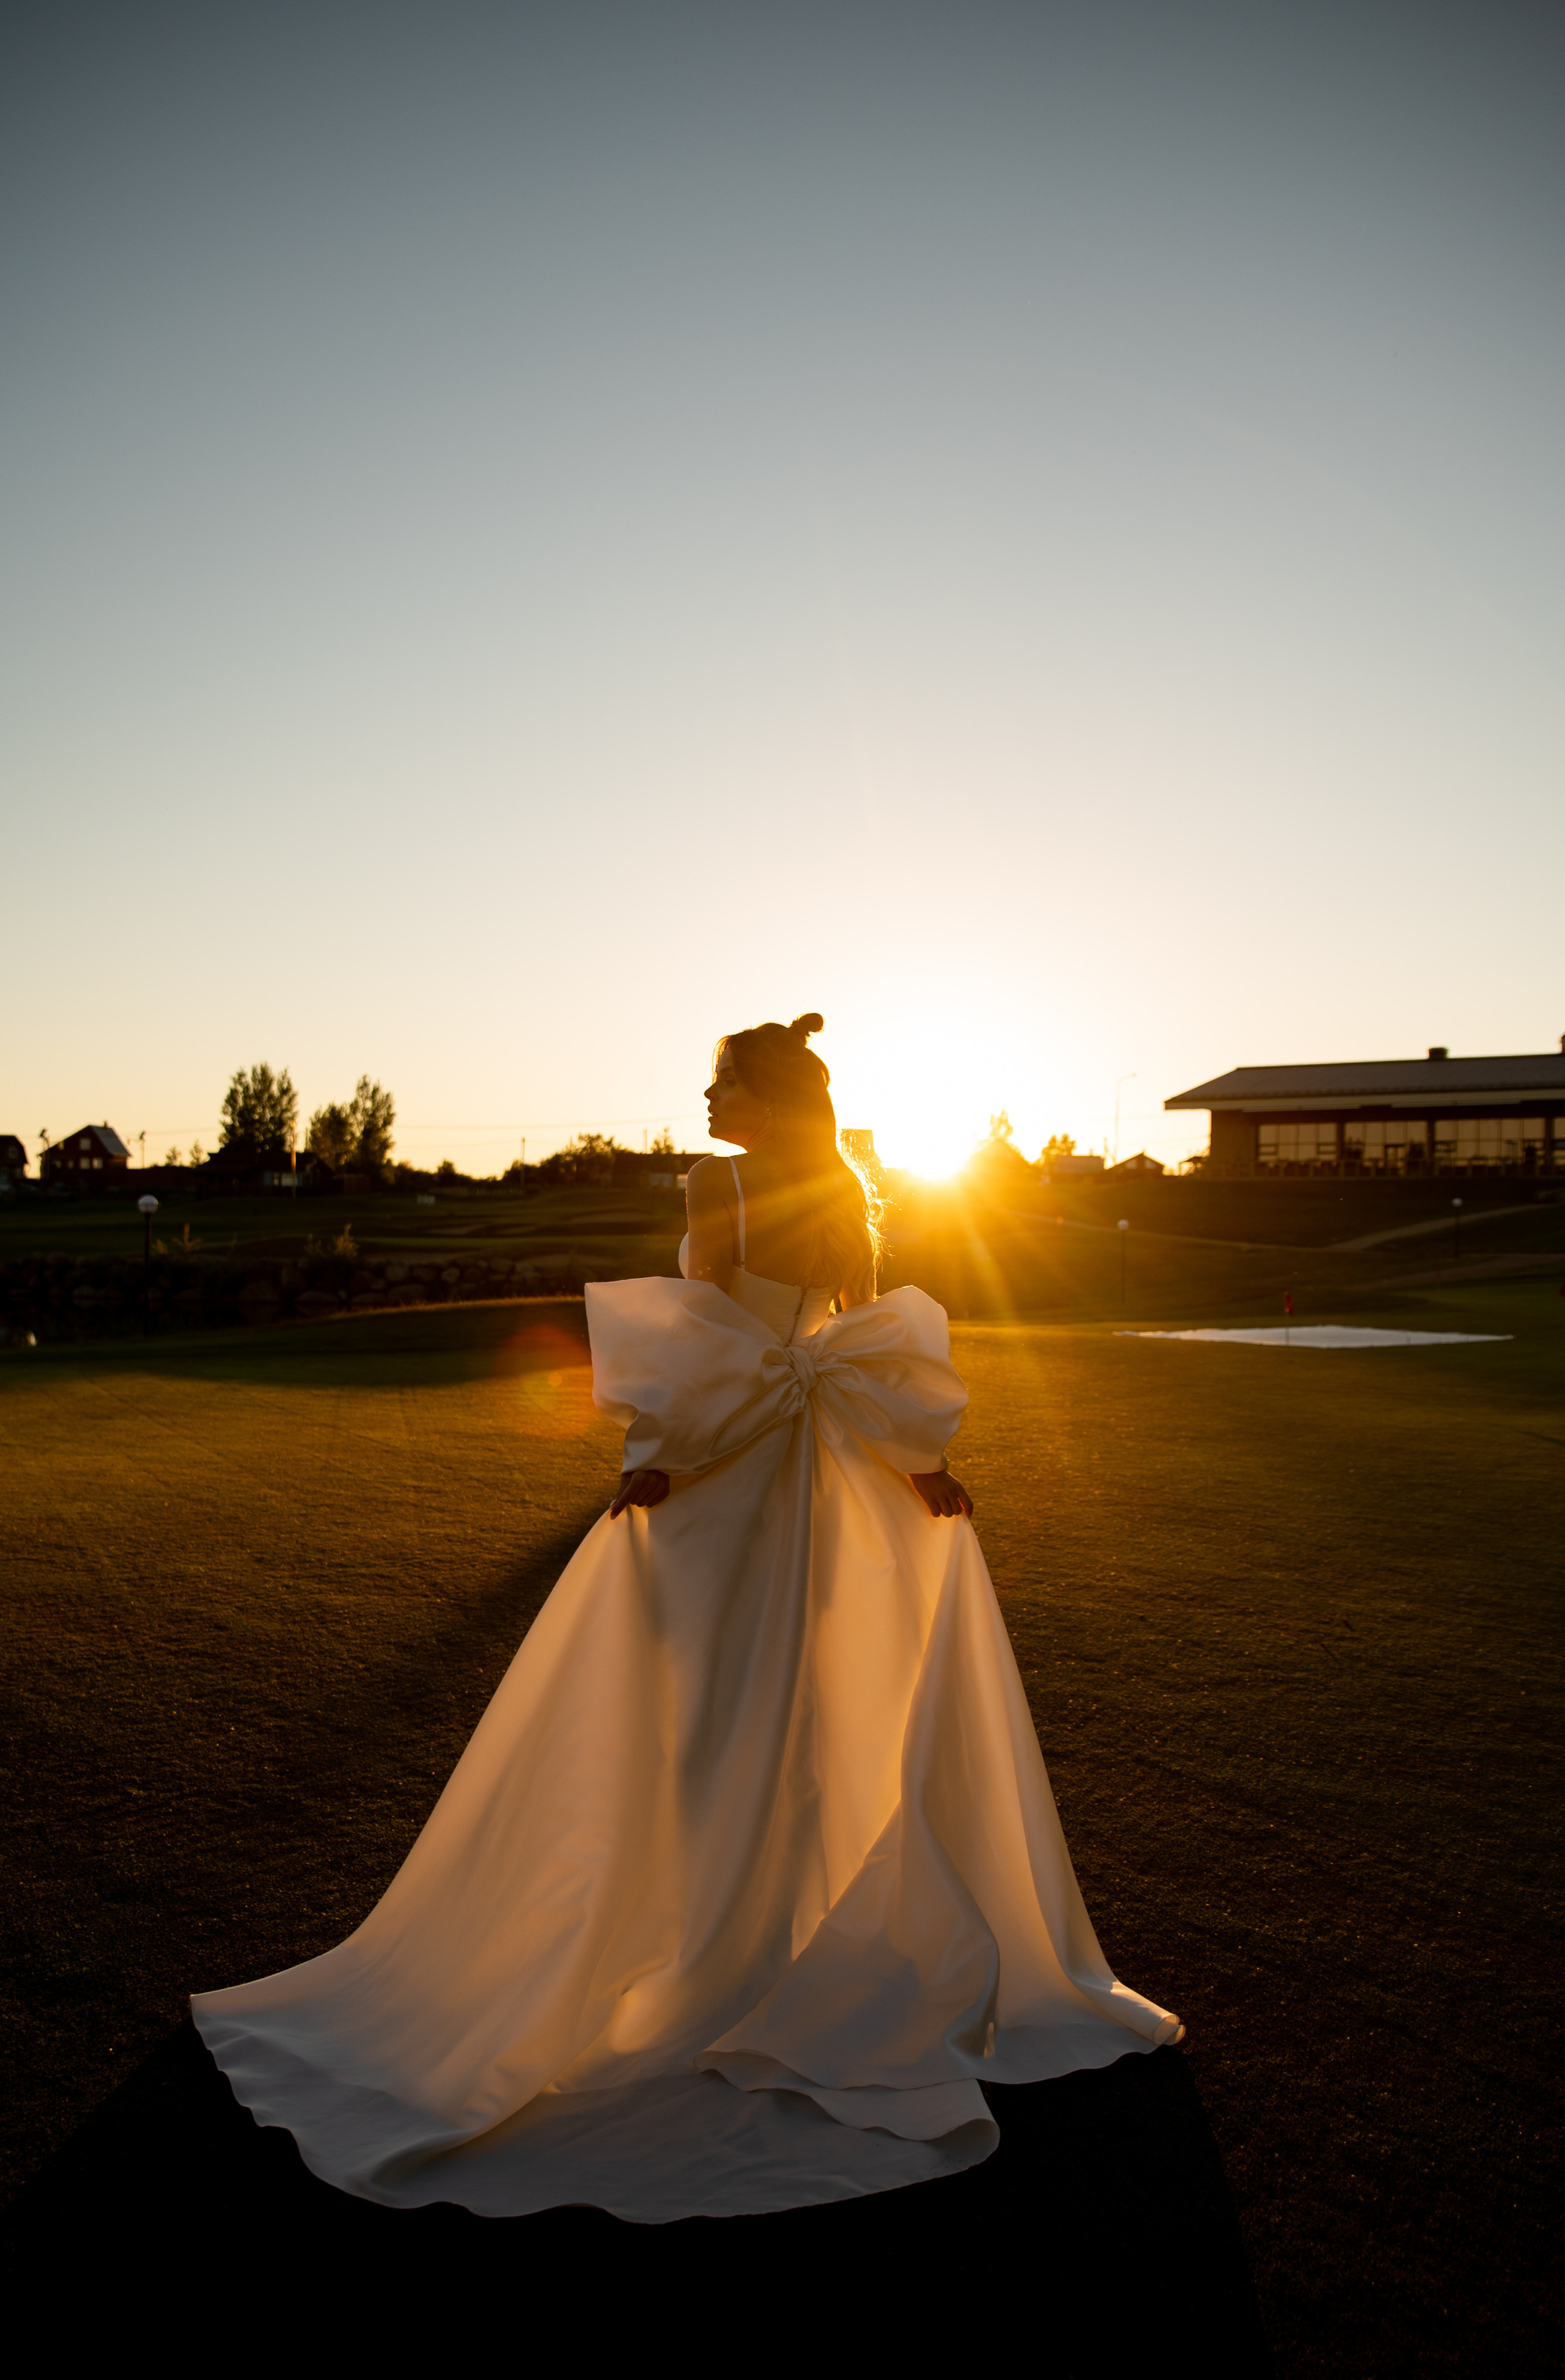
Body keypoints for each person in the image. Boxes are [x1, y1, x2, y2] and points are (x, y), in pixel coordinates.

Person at [193, 1013, 1179, 2224]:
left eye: (722, 1082)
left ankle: (708, 1953)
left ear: (761, 1099)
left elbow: (705, 1330)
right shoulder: (846, 1193)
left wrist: (654, 1455)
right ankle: (768, 1943)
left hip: (737, 1474)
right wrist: (917, 1470)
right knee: (805, 1703)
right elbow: (846, 1339)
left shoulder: (717, 1184)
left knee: (702, 1710)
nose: (706, 1099)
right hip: (822, 1476)